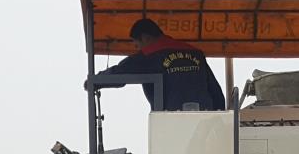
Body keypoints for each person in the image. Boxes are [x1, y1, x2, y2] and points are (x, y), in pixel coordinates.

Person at [89, 19, 226, 113]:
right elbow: (217, 94)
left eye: (137, 45)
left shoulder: (150, 56)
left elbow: (119, 73)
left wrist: (95, 81)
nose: (138, 50)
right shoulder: (196, 54)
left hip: (170, 124)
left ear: (145, 38)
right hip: (205, 123)